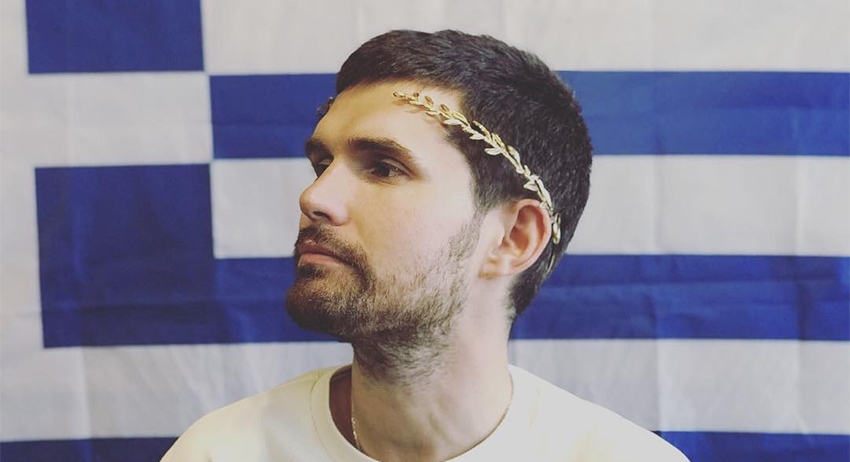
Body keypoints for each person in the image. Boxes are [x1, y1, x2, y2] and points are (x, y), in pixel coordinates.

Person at [161, 29, 689, 462]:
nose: (314, 197)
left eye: (384, 168)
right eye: (322, 164)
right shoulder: (220, 453)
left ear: (513, 238)